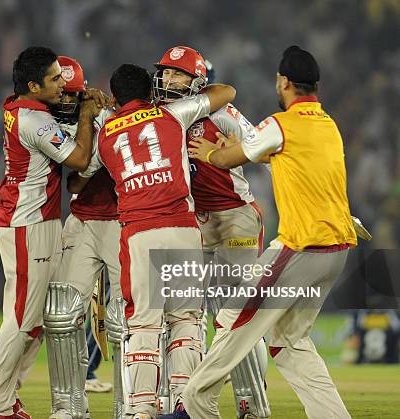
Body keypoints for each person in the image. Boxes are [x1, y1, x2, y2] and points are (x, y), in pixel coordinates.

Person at [173, 45, 357, 419]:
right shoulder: (327, 126)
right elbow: (276, 156)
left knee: (231, 318)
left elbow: (226, 159)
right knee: (289, 342)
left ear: (283, 81)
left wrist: (211, 152)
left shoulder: (279, 124)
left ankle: (193, 406)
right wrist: (236, 147)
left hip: (301, 248)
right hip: (337, 251)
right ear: (316, 86)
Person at [77, 63, 235, 419]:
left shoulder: (105, 134)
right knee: (186, 321)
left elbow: (79, 178)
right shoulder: (172, 115)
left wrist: (97, 114)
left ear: (116, 98)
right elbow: (224, 92)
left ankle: (142, 409)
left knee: (144, 325)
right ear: (150, 92)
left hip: (138, 232)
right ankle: (185, 403)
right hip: (181, 226)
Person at [0, 46, 108, 419]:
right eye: (53, 78)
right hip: (28, 225)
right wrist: (87, 116)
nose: (60, 83)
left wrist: (80, 104)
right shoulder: (35, 121)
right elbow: (79, 161)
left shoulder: (21, 107)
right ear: (33, 85)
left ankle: (1, 387)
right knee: (24, 317)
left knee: (35, 317)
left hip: (32, 221)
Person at [153, 46, 270, 418]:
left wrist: (235, 150)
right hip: (194, 221)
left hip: (236, 218)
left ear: (197, 81)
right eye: (166, 73)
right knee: (190, 313)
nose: (169, 80)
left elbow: (267, 153)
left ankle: (252, 405)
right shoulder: (162, 115)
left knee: (235, 315)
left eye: (178, 74)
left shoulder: (221, 113)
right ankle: (193, 404)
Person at [42, 55, 118, 419]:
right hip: (82, 219)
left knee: (127, 316)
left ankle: (132, 406)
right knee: (63, 314)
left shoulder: (109, 114)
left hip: (122, 221)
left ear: (86, 92)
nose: (65, 102)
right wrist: (95, 158)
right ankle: (69, 407)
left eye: (74, 95)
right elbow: (74, 181)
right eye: (62, 94)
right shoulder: (49, 123)